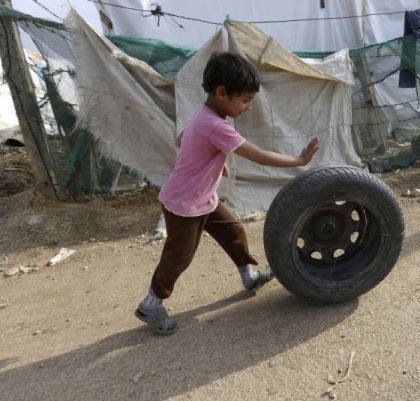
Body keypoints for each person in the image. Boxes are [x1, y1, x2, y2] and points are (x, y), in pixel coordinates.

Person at [134, 51, 320, 335]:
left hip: (203, 197)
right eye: (245, 100)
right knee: (179, 255)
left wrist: (210, 166)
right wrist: (298, 161)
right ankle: (151, 303)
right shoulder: (216, 125)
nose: (248, 107)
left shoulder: (206, 114)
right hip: (184, 203)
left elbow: (183, 138)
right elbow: (257, 156)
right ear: (222, 92)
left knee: (234, 232)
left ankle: (249, 276)